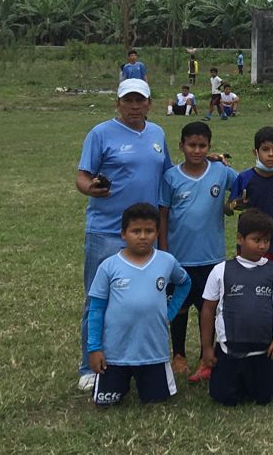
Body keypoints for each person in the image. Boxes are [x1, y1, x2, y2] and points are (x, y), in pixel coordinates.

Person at [75, 78, 170, 388]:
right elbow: (82, 176)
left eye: (140, 100)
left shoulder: (157, 134)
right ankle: (88, 367)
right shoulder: (100, 133)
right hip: (107, 231)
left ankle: (136, 360)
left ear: (149, 104)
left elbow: (168, 173)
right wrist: (91, 188)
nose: (134, 106)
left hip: (146, 233)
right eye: (128, 100)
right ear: (117, 103)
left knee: (142, 299)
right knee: (98, 299)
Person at [84, 203, 192, 407]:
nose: (143, 236)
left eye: (149, 231)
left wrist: (169, 312)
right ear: (123, 233)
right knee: (106, 403)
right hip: (115, 355)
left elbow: (184, 283)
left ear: (157, 233)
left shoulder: (166, 261)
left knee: (156, 402)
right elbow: (96, 309)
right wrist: (94, 348)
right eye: (136, 231)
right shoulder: (109, 266)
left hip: (153, 354)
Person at [158, 121, 234, 383]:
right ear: (181, 146)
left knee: (208, 308)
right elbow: (163, 215)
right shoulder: (170, 177)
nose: (197, 150)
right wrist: (164, 252)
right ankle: (178, 354)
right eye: (192, 145)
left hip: (212, 258)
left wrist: (232, 205)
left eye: (202, 146)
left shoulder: (221, 172)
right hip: (179, 259)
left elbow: (245, 185)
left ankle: (206, 355)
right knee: (178, 308)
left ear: (209, 147)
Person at [199, 209, 273, 406]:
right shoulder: (220, 271)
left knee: (265, 398)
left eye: (266, 240)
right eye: (256, 240)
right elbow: (208, 310)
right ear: (239, 238)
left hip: (265, 352)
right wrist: (207, 348)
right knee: (224, 398)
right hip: (228, 351)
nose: (262, 246)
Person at [228, 127, 273, 258]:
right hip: (249, 246)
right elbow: (227, 208)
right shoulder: (245, 178)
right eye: (265, 149)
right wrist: (235, 204)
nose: (271, 154)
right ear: (255, 152)